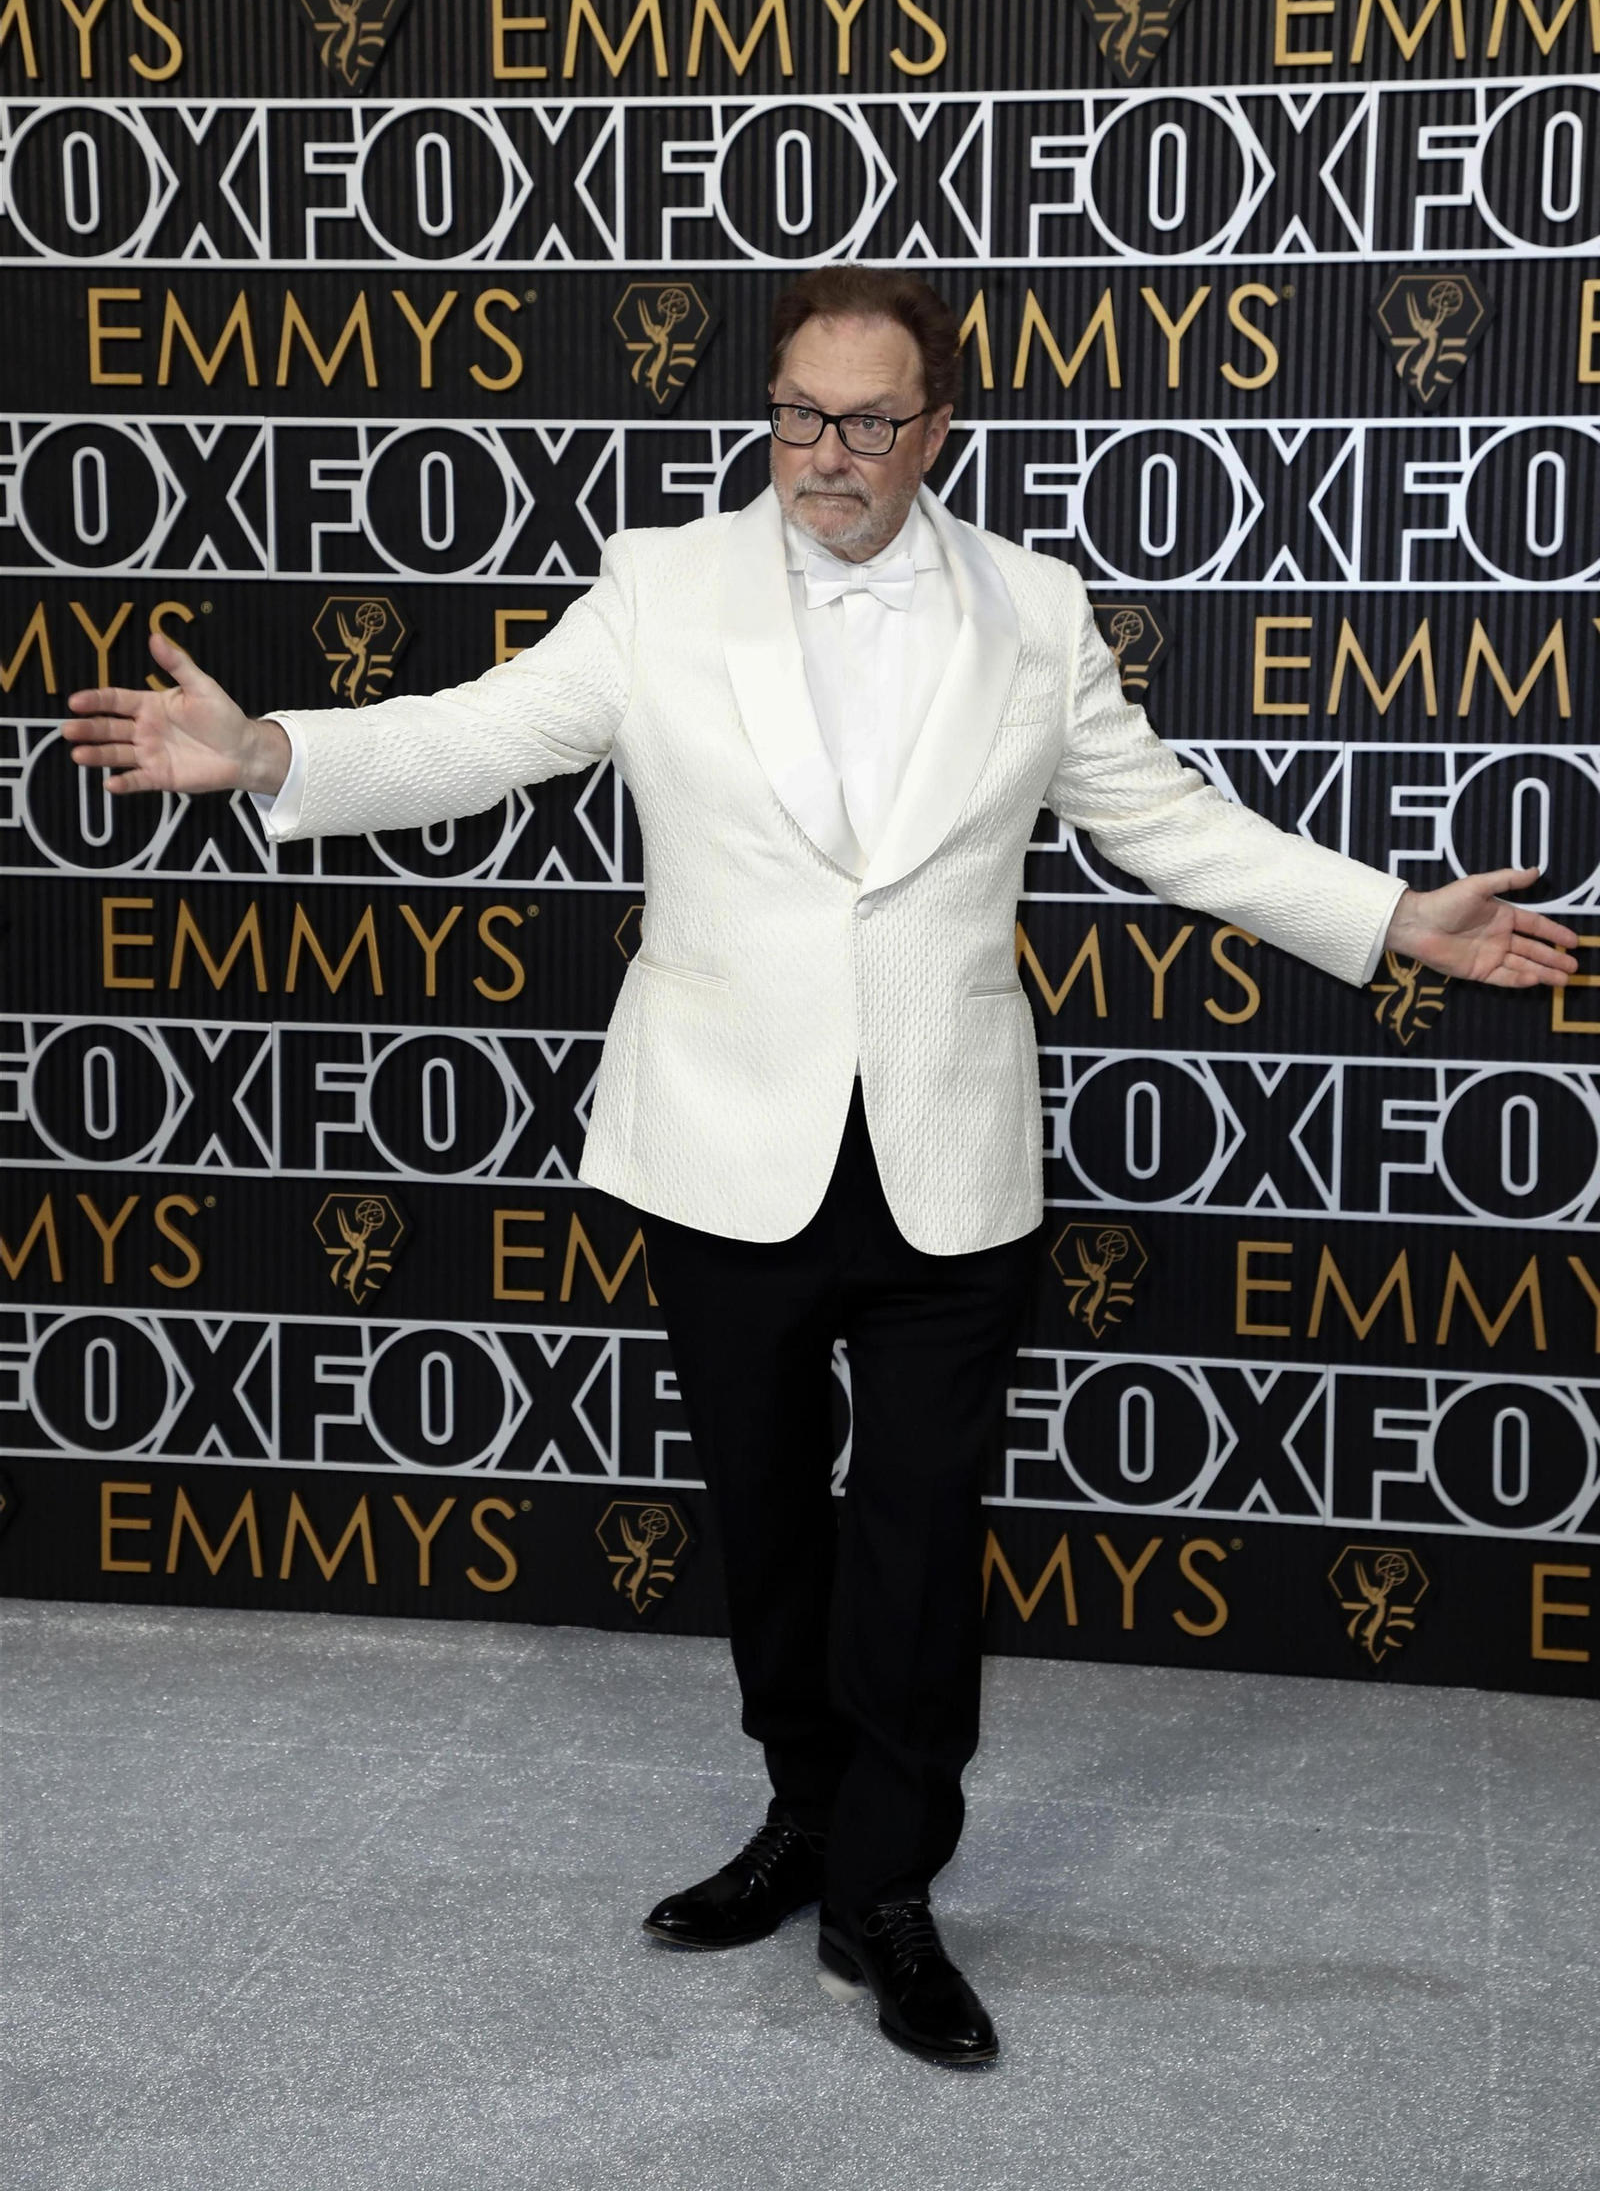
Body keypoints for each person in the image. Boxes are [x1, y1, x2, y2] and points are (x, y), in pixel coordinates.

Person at [63, 266, 1577, 2069]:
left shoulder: (1035, 607)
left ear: (941, 428)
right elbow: (482, 730)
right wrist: (272, 756)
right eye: (796, 412)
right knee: (773, 1531)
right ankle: (801, 1815)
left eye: (867, 419)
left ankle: (885, 1889)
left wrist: (1393, 916)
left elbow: (1163, 821)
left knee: (922, 1546)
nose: (826, 453)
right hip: (725, 1151)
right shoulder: (663, 583)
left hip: (945, 1152)